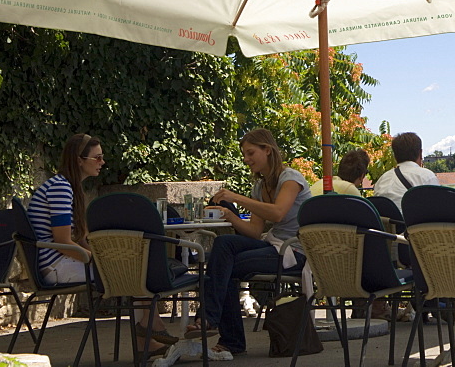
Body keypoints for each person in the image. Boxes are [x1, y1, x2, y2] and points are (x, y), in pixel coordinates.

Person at [27, 133, 176, 354]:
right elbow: (62, 242)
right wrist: (98, 260)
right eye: (97, 158)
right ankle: (149, 331)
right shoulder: (61, 188)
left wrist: (106, 257)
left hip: (61, 261)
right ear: (79, 160)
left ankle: (148, 334)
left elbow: (79, 238)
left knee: (131, 267)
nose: (102, 162)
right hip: (56, 266)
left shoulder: (67, 186)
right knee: (131, 272)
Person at [190, 128, 312, 357]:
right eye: (244, 154)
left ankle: (221, 330)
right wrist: (230, 215)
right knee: (224, 244)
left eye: (250, 153)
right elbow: (255, 232)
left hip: (295, 252)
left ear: (267, 150)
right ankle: (212, 321)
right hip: (273, 244)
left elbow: (277, 213)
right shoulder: (260, 187)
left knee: (223, 269)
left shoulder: (291, 178)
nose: (246, 159)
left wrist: (235, 197)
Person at [372, 132, 439, 210]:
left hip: (386, 222)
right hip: (414, 222)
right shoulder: (427, 176)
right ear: (420, 154)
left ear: (395, 156)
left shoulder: (381, 180)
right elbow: (438, 208)